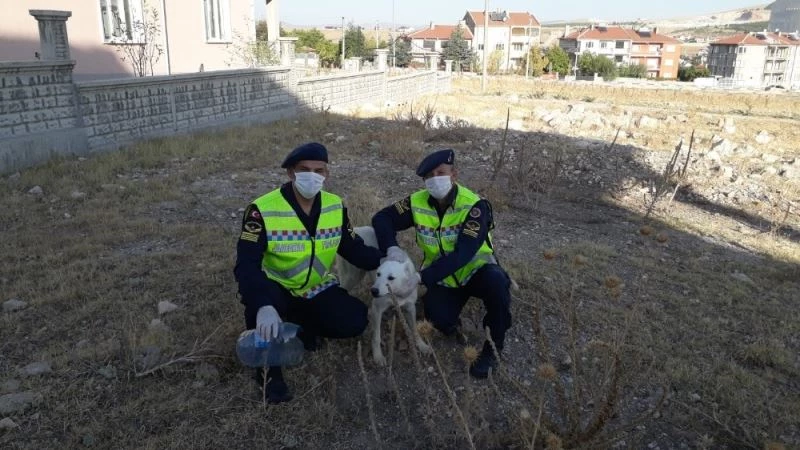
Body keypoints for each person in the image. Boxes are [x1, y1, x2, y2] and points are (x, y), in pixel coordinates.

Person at [234, 142, 383, 403]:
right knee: (262, 311)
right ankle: (269, 373)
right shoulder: (262, 210)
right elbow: (246, 264)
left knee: (355, 319)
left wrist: (386, 259)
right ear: (291, 173)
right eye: (304, 169)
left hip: (315, 287)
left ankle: (301, 328)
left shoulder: (335, 207)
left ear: (327, 174)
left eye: (319, 170)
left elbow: (351, 248)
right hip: (276, 286)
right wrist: (262, 304)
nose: (312, 176)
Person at [371, 148, 512, 379]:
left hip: (476, 273)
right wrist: (391, 246)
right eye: (429, 176)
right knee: (437, 320)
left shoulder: (475, 206)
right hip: (444, 278)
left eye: (441, 173)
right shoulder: (416, 202)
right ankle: (452, 322)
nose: (435, 180)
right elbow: (382, 218)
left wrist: (419, 277)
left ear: (454, 175)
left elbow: (463, 253)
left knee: (497, 284)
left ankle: (493, 349)